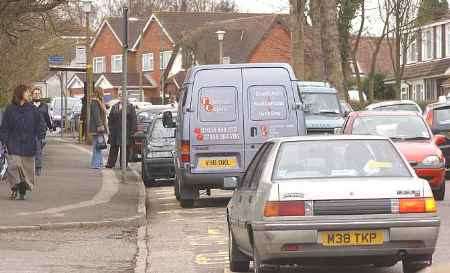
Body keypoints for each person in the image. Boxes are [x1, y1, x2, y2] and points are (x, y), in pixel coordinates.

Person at [0, 84, 46, 200]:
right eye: (27, 92)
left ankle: (22, 190)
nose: (29, 94)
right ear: (20, 93)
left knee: (26, 170)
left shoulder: (33, 110)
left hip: (28, 144)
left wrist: (40, 137)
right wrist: (4, 140)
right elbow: (4, 127)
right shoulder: (10, 109)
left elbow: (40, 124)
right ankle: (14, 188)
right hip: (13, 143)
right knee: (13, 167)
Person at [106, 95, 137, 168]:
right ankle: (110, 164)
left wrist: (132, 131)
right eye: (120, 96)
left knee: (125, 149)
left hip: (126, 132)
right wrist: (110, 128)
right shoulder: (114, 106)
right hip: (115, 131)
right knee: (113, 148)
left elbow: (134, 120)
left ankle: (123, 165)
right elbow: (110, 119)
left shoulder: (130, 107)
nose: (122, 98)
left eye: (123, 96)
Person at [31, 87, 53, 176]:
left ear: (41, 95)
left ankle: (37, 167)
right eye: (35, 93)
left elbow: (47, 117)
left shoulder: (44, 106)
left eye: (38, 93)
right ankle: (34, 167)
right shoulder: (28, 105)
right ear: (32, 95)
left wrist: (50, 127)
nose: (37, 95)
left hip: (41, 130)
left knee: (38, 149)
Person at [89, 88, 108, 169]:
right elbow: (97, 115)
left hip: (98, 127)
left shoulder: (98, 102)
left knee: (98, 145)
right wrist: (100, 125)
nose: (103, 93)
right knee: (97, 146)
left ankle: (98, 163)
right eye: (103, 92)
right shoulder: (95, 102)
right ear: (99, 93)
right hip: (97, 128)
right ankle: (96, 164)